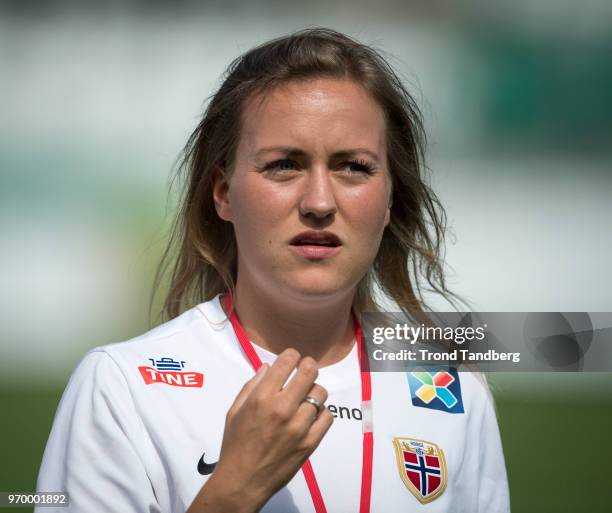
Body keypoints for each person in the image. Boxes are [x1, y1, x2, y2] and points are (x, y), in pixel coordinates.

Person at [35, 27, 510, 513]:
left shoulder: (453, 386)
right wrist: (233, 492)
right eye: (284, 165)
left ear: (390, 198)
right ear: (223, 192)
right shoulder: (121, 387)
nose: (320, 202)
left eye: (353, 167)